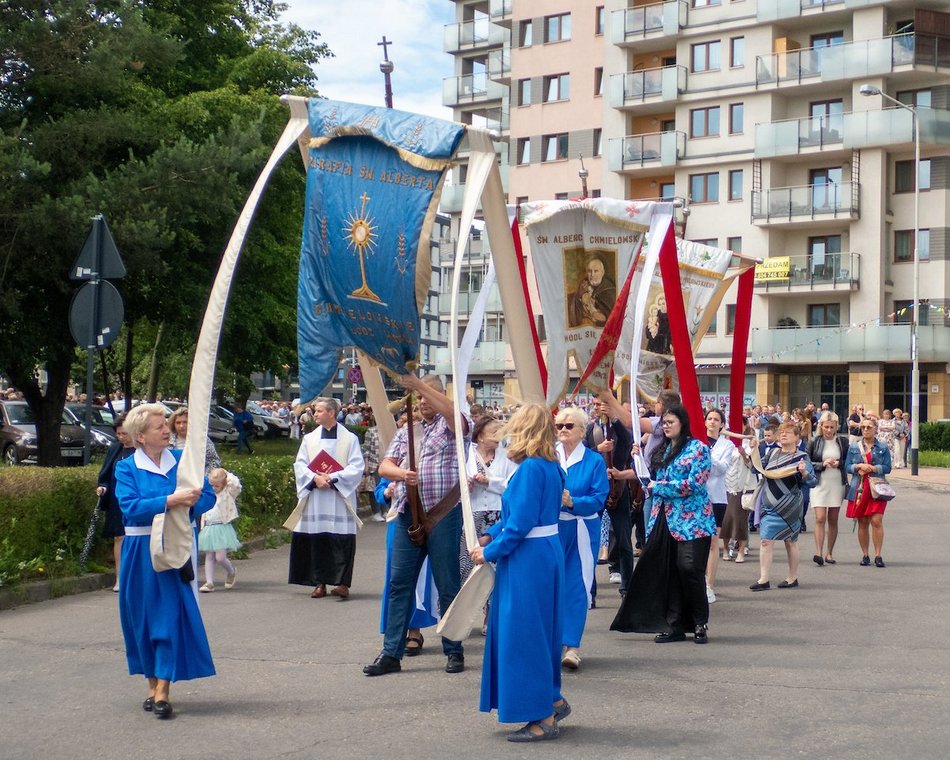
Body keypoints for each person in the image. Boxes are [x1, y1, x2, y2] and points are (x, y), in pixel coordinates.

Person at [470, 403, 571, 743]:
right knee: (542, 631)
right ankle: (551, 699)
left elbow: (521, 524)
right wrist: (491, 535)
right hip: (544, 551)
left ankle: (543, 717)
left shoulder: (530, 469)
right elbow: (519, 518)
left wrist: (488, 551)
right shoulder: (550, 466)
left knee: (525, 635)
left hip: (529, 558)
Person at [364, 374, 472, 677]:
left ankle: (454, 650)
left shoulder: (453, 426)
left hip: (442, 514)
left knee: (448, 584)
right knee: (399, 584)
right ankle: (391, 653)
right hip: (407, 514)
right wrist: (401, 475)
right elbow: (385, 465)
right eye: (420, 397)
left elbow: (453, 414)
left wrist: (418, 385)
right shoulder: (408, 431)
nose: (423, 401)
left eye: (429, 396)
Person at [114, 403, 216, 719]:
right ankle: (151, 682)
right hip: (140, 551)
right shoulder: (126, 468)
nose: (166, 430)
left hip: (175, 547)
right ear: (140, 436)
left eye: (164, 425)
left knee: (168, 617)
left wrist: (191, 502)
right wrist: (172, 500)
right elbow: (131, 507)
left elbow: (208, 496)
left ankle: (163, 690)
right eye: (159, 427)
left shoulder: (183, 461)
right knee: (142, 618)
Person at [611, 404, 715, 644]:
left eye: (670, 422)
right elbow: (648, 478)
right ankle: (674, 624)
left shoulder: (698, 448)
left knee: (690, 569)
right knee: (669, 572)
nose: (666, 427)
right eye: (664, 423)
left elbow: (694, 484)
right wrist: (637, 459)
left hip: (693, 520)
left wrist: (659, 487)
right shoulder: (661, 449)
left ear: (682, 423)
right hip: (664, 518)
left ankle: (699, 621)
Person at [289, 397, 364, 599]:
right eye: (315, 411)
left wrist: (332, 477)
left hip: (339, 497)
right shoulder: (309, 439)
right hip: (317, 497)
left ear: (331, 413)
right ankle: (319, 583)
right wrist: (315, 478)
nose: (315, 414)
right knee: (318, 539)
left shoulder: (349, 439)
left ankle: (342, 584)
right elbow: (300, 465)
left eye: (319, 411)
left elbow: (357, 466)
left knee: (341, 540)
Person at [555, 406, 609, 670]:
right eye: (559, 426)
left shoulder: (594, 460)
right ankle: (551, 642)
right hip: (551, 528)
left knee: (577, 585)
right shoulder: (548, 456)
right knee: (550, 585)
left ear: (582, 430)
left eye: (569, 426)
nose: (563, 430)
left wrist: (572, 501)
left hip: (581, 529)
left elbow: (599, 498)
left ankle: (572, 646)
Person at [750, 422, 817, 591]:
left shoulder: (802, 457)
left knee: (790, 541)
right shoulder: (772, 453)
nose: (783, 435)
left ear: (797, 437)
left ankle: (792, 577)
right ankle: (764, 579)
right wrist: (751, 452)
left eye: (788, 432)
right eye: (781, 433)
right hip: (769, 504)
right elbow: (755, 469)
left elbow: (812, 482)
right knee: (765, 541)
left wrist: (804, 472)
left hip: (791, 506)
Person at [376, 477, 439, 655]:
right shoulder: (395, 464)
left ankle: (414, 630)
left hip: (425, 519)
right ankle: (395, 636)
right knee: (396, 580)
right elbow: (380, 490)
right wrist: (387, 491)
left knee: (419, 578)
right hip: (398, 523)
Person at [459, 416, 516, 587]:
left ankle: (493, 602)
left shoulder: (508, 456)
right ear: (481, 436)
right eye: (493, 432)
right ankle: (470, 600)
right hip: (472, 516)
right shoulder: (466, 455)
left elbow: (513, 486)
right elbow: (457, 484)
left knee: (496, 564)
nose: (498, 436)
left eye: (500, 432)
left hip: (498, 516)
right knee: (469, 562)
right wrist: (466, 487)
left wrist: (489, 482)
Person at [589, 391, 635, 596]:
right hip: (596, 489)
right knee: (591, 540)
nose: (598, 408)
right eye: (595, 404)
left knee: (624, 540)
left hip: (618, 489)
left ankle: (627, 587)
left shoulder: (618, 428)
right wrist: (597, 448)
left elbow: (627, 441)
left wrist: (615, 419)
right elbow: (582, 453)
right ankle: (590, 591)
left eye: (601, 404)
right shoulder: (591, 429)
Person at [845, 416, 893, 568]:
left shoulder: (883, 447)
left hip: (877, 487)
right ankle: (865, 555)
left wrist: (873, 468)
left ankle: (878, 555)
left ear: (875, 429)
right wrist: (858, 466)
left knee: (876, 521)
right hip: (859, 487)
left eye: (869, 427)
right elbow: (847, 466)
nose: (865, 430)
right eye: (863, 427)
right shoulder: (854, 446)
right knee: (863, 521)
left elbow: (887, 467)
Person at [96, 413, 134, 592]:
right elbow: (105, 475)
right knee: (119, 537)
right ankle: (119, 577)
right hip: (117, 500)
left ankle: (135, 576)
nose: (121, 437)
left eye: (124, 433)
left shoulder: (143, 450)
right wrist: (103, 487)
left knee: (135, 537)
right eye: (118, 434)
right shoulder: (115, 449)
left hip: (136, 499)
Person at [808, 411, 849, 566]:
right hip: (819, 483)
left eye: (832, 427)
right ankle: (818, 552)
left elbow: (848, 461)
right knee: (820, 518)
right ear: (821, 426)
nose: (829, 430)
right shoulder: (814, 441)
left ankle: (829, 553)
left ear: (836, 427)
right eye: (826, 427)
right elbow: (806, 461)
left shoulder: (842, 442)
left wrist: (839, 463)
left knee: (833, 519)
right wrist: (822, 464)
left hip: (836, 483)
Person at [703, 408, 736, 604]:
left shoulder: (727, 445)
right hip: (697, 497)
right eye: (709, 418)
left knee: (713, 542)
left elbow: (721, 468)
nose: (712, 422)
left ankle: (709, 585)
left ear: (722, 424)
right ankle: (697, 581)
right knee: (697, 542)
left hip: (716, 498)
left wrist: (707, 455)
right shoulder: (696, 441)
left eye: (716, 419)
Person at [198, 468, 242, 592]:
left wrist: (226, 473)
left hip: (222, 528)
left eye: (216, 486)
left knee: (220, 557)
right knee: (209, 556)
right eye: (211, 485)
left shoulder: (228, 493)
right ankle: (209, 582)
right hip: (208, 528)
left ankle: (231, 571)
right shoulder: (208, 495)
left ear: (224, 484)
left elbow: (236, 485)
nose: (213, 488)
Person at [721, 417, 756, 564]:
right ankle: (725, 548)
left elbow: (753, 466)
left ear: (745, 426)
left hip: (742, 486)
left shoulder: (749, 443)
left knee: (740, 519)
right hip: (724, 486)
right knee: (725, 520)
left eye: (739, 425)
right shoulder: (723, 443)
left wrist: (744, 454)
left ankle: (741, 550)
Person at [168, 407, 221, 474]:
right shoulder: (167, 440)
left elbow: (214, 460)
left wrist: (204, 476)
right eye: (178, 423)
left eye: (185, 422)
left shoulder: (202, 440)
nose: (181, 426)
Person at [567, 254, 615, 328]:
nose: (592, 275)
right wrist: (579, 294)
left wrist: (590, 305)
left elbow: (607, 319)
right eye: (589, 271)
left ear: (602, 272)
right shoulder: (584, 285)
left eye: (596, 271)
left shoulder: (610, 291)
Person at [361, 411, 385, 522]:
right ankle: (376, 512)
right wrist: (366, 465)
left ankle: (384, 510)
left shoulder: (386, 431)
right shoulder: (370, 431)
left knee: (385, 487)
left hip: (385, 463)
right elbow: (366, 449)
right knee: (374, 488)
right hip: (374, 464)